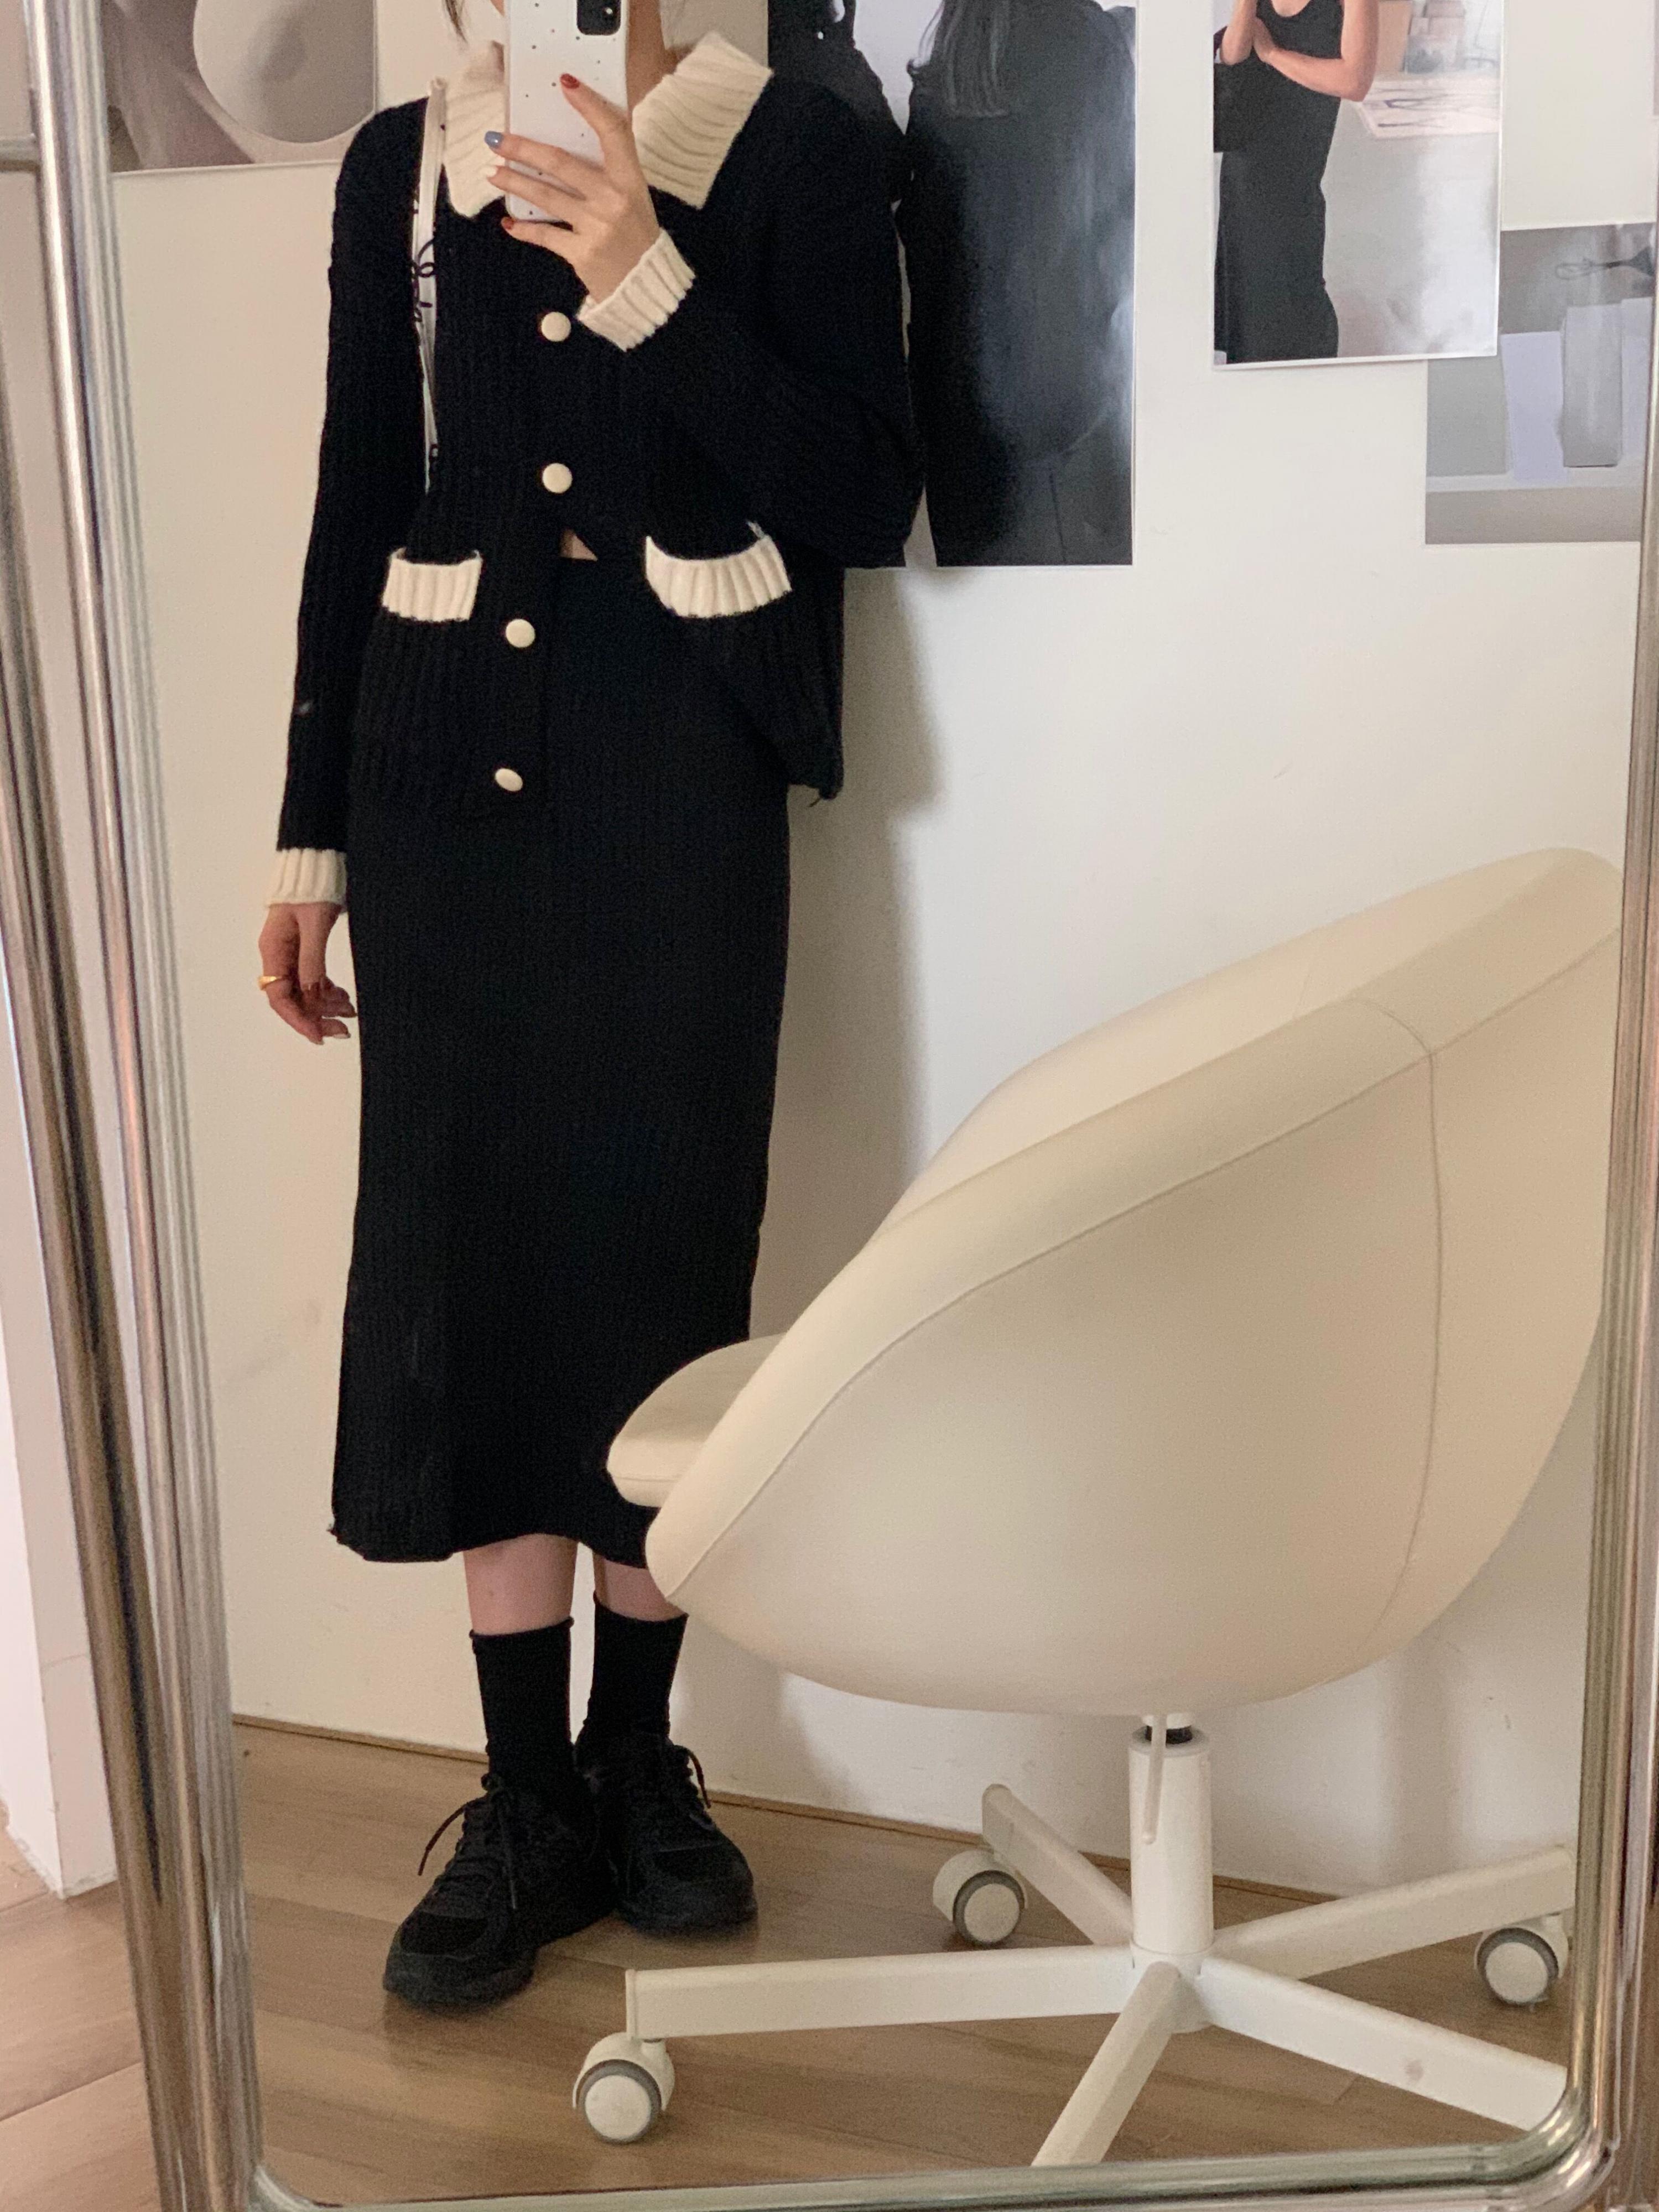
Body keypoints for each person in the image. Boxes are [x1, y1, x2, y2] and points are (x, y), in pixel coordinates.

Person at [257, 0, 919, 2010]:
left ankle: (637, 1760)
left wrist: (647, 278)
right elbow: (359, 492)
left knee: (656, 1267)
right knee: (467, 1271)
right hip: (441, 779)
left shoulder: (796, 154)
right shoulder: (399, 172)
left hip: (674, 772)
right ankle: (523, 1790)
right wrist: (307, 840)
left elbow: (856, 487)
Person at [898, 0, 1136, 567]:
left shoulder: (954, 57)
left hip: (957, 404)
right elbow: (1120, 215)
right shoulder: (1087, 41)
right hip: (1071, 396)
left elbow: (927, 247)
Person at [1214, 0, 1380, 363]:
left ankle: (1310, 387)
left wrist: (1273, 55)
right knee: (1247, 300)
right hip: (1244, 169)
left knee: (1295, 293)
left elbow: (1354, 81)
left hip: (1296, 172)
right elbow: (1232, 58)